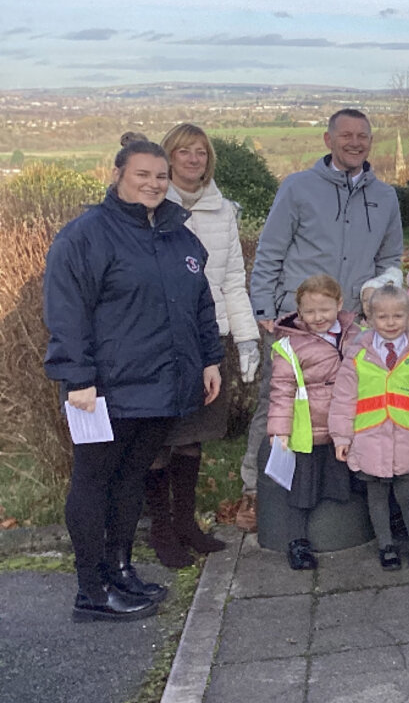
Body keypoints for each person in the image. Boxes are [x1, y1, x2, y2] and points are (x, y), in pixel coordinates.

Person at [44, 136, 224, 621]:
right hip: (102, 389)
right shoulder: (86, 235)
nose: (153, 183)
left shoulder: (178, 235)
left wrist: (210, 358)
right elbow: (66, 311)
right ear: (119, 174)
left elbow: (200, 304)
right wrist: (77, 377)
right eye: (142, 174)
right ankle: (92, 590)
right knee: (94, 480)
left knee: (130, 481)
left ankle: (120, 570)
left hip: (162, 387)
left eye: (160, 176)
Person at [237, 109, 404, 532]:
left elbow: (389, 260)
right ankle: (257, 492)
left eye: (363, 136)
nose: (355, 142)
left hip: (350, 328)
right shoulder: (298, 188)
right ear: (328, 140)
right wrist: (265, 311)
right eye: (346, 135)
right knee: (275, 405)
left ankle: (345, 497)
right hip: (295, 323)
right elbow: (271, 251)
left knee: (348, 407)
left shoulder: (384, 196)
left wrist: (374, 305)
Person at [135, 124, 259, 569]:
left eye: (200, 152)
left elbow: (231, 281)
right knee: (159, 438)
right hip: (160, 341)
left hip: (210, 337)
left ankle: (186, 522)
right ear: (167, 158)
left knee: (194, 436)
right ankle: (162, 530)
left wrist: (245, 337)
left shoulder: (222, 211)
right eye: (183, 152)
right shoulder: (148, 205)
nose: (192, 159)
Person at [329, 284, 409, 571]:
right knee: (377, 497)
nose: (390, 323)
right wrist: (341, 437)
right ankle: (386, 545)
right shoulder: (357, 355)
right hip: (368, 437)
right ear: (369, 319)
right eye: (382, 317)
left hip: (406, 435)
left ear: (408, 316)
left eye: (397, 316)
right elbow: (343, 399)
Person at [266, 274, 362, 570]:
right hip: (311, 428)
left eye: (324, 310)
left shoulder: (355, 334)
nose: (317, 317)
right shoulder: (290, 346)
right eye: (309, 312)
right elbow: (282, 389)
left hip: (349, 425)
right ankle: (297, 542)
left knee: (356, 478)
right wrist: (280, 430)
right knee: (302, 488)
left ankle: (372, 526)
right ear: (299, 310)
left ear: (339, 304)